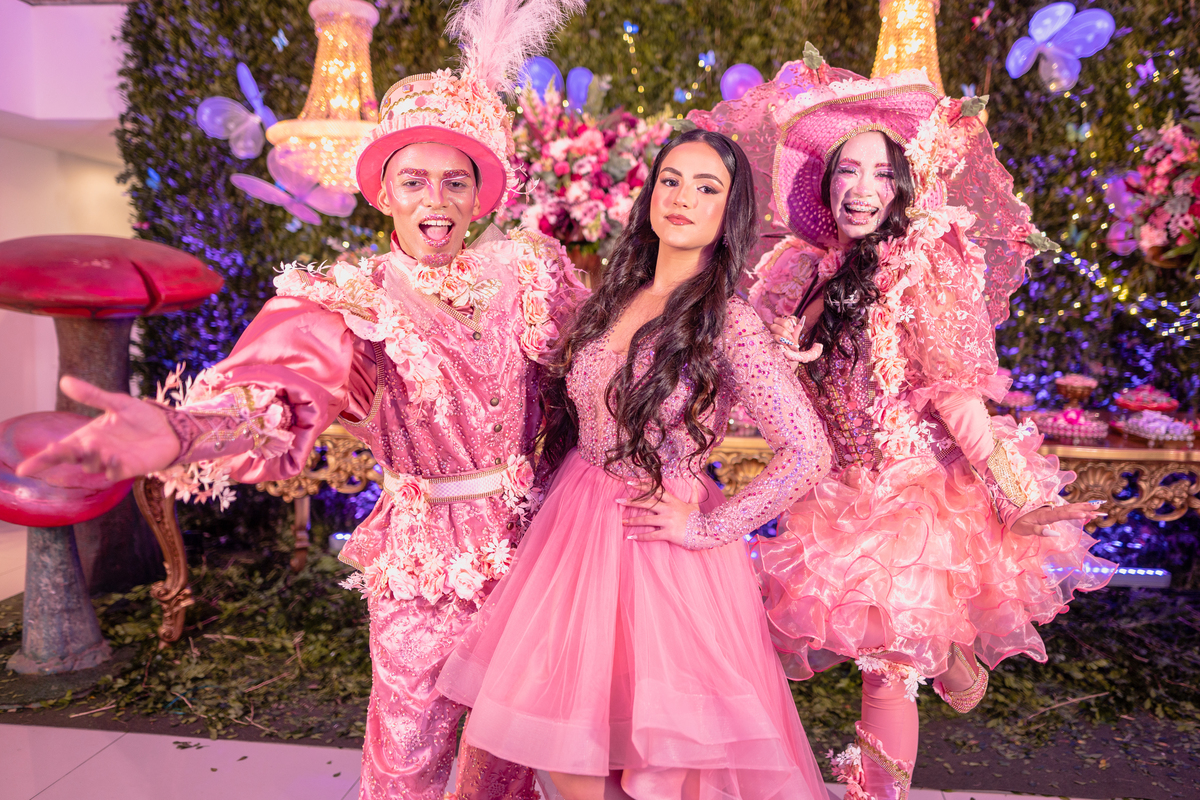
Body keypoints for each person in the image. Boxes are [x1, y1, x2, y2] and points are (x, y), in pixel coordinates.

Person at [16, 1, 588, 797]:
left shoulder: (528, 276)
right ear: (383, 193)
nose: (435, 198)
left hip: (535, 554)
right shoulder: (354, 296)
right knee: (410, 752)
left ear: (479, 197)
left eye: (455, 181)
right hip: (421, 562)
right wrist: (186, 432)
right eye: (414, 179)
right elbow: (284, 389)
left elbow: (600, 373)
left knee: (506, 753)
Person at [721, 55, 1113, 800]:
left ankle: (883, 784)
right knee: (845, 638)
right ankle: (949, 653)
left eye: (880, 173)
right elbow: (768, 390)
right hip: (837, 493)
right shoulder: (798, 272)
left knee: (885, 669)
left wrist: (1017, 498)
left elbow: (957, 397)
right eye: (847, 171)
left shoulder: (919, 269)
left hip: (915, 496)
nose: (861, 188)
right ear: (825, 184)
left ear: (902, 185)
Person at [436, 128, 834, 800]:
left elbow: (808, 451)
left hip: (659, 543)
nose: (682, 198)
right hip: (576, 525)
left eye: (707, 188)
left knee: (656, 765)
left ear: (729, 213)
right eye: (671, 180)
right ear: (650, 193)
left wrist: (708, 526)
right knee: (564, 742)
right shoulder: (614, 297)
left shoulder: (727, 322)